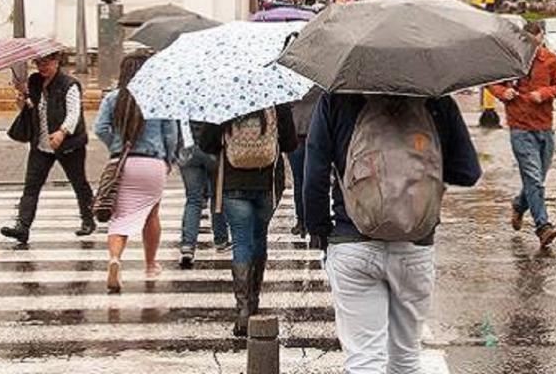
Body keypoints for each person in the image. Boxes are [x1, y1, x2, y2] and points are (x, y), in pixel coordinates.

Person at [305, 92, 481, 374]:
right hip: (415, 244)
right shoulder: (436, 100)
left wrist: (321, 232)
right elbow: (468, 172)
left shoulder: (336, 99)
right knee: (406, 360)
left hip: (353, 242)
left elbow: (314, 175)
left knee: (364, 360)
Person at [198, 104, 296, 337]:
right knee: (260, 237)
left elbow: (206, 144)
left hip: (233, 184)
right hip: (267, 183)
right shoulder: (275, 100)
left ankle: (243, 310)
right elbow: (290, 143)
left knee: (241, 242)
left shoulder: (225, 100)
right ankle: (254, 299)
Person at [94, 53, 179, 293]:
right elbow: (171, 134)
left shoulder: (113, 98)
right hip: (152, 164)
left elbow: (100, 127)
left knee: (119, 216)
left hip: (124, 163)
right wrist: (169, 159)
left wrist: (116, 146)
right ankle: (151, 264)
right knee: (152, 215)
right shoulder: (160, 99)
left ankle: (114, 259)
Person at [488, 21, 556, 248]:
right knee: (534, 178)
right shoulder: (511, 60)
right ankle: (543, 227)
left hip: (545, 128)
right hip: (520, 128)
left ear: (542, 38)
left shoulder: (550, 60)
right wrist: (504, 92)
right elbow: (492, 84)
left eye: (537, 42)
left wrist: (544, 94)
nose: (533, 46)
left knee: (537, 179)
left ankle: (518, 205)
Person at [1, 52, 96, 244]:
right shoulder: (35, 81)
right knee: (31, 186)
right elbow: (31, 107)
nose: (42, 67)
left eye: (46, 63)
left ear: (56, 62)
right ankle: (23, 227)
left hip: (68, 144)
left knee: (79, 182)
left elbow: (73, 113)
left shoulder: (69, 84)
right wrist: (22, 95)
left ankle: (88, 219)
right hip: (41, 144)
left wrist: (62, 132)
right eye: (38, 63)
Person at [178, 121, 231, 269]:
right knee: (217, 195)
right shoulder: (216, 98)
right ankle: (221, 240)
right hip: (212, 150)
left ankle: (188, 245)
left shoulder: (179, 99)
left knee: (193, 199)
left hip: (187, 149)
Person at [287, 86, 323, 236]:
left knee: (299, 181)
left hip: (296, 135)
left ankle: (302, 221)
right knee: (316, 179)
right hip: (316, 133)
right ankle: (314, 219)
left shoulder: (290, 84)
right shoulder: (319, 83)